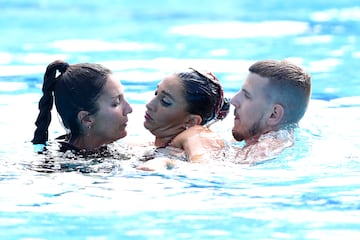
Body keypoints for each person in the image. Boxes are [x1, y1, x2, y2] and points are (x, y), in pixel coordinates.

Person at [31, 60, 133, 156]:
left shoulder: (106, 146)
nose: (129, 109)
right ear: (86, 119)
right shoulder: (68, 166)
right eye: (116, 103)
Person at [140, 67, 230, 167]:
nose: (149, 105)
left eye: (165, 101)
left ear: (191, 121)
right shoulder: (146, 145)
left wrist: (167, 163)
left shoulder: (195, 133)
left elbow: (207, 167)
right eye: (156, 93)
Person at [230, 59, 312, 164]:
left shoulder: (265, 150)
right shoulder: (257, 139)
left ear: (274, 114)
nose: (233, 100)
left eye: (247, 95)